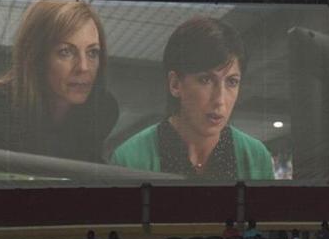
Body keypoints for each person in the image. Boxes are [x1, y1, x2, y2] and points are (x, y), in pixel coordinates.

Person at [110, 17, 273, 180]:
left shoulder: (255, 157)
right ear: (175, 84)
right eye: (206, 80)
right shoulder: (130, 160)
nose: (220, 100)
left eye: (232, 82)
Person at [0, 0, 118, 162]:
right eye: (66, 52)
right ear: (36, 56)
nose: (83, 67)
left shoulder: (102, 109)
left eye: (92, 53)